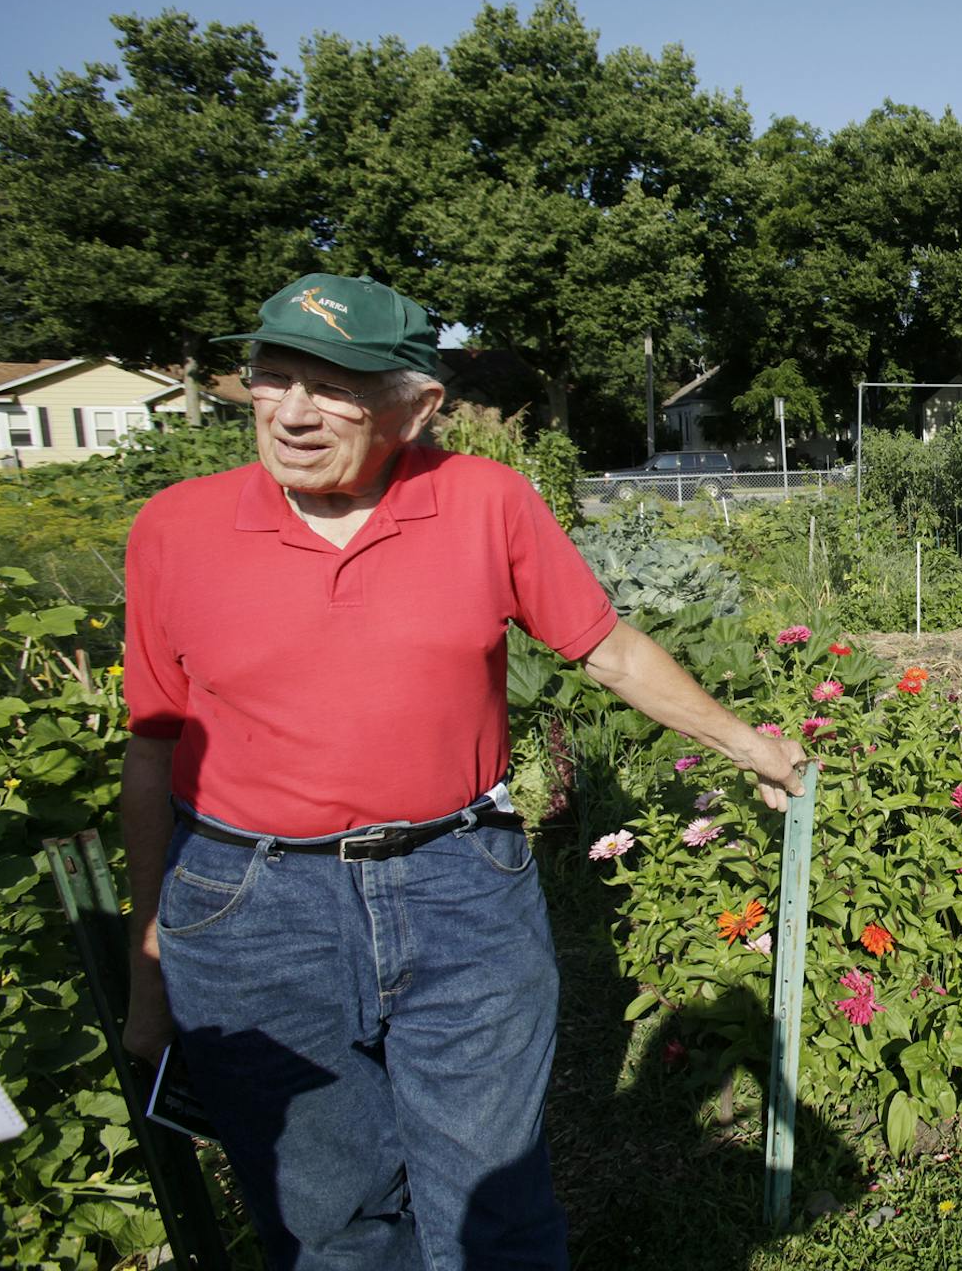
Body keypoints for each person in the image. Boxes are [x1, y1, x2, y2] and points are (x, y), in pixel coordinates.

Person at [119, 273, 808, 1269]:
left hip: (458, 889)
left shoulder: (483, 501)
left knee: (496, 1209)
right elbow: (151, 749)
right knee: (323, 1215)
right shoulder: (175, 529)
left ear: (414, 405)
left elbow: (605, 647)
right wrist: (149, 967)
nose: (295, 412)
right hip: (253, 908)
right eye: (274, 375)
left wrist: (748, 744)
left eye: (335, 383)